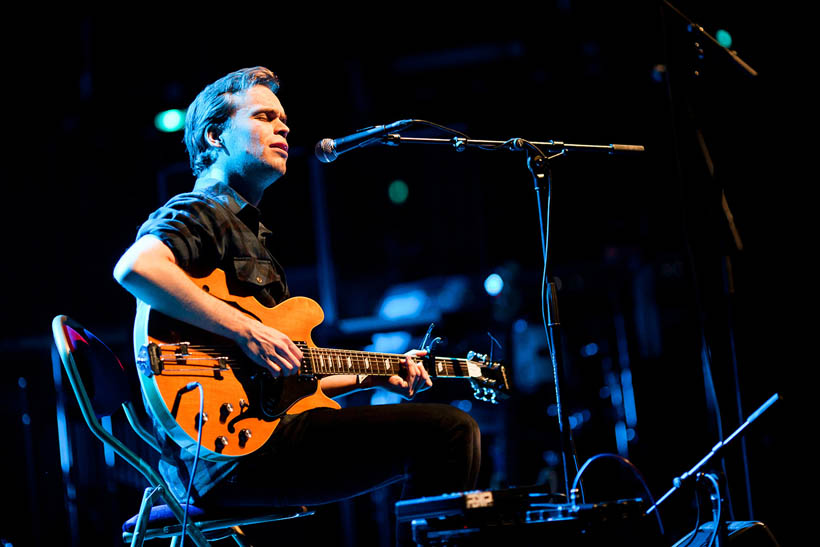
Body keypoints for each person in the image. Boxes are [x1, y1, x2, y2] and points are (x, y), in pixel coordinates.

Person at [113, 66, 480, 539]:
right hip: (232, 457)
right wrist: (247, 330)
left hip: (256, 437)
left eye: (283, 118)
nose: (283, 126)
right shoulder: (203, 210)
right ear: (215, 136)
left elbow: (285, 376)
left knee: (443, 432)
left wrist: (374, 373)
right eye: (264, 116)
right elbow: (136, 268)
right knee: (448, 434)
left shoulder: (248, 229)